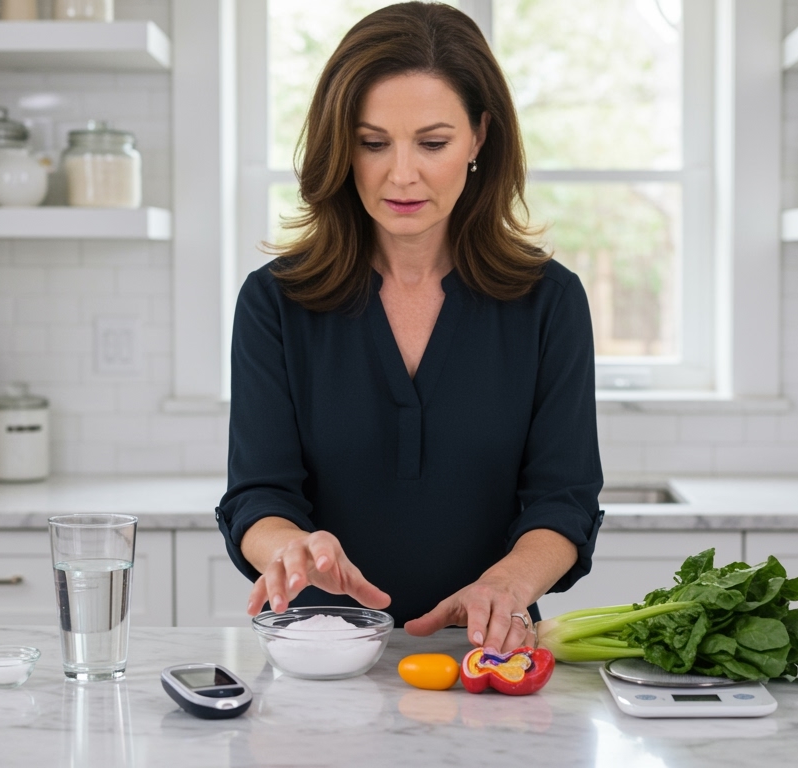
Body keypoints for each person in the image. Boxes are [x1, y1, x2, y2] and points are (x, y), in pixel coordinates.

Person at [216, 1, 602, 653]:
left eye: (432, 142)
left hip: (491, 656)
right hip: (322, 656)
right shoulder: (274, 302)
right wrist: (290, 547)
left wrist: (505, 587)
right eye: (372, 143)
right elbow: (257, 494)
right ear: (342, 145)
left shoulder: (550, 302)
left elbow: (562, 503)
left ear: (480, 137)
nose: (401, 174)